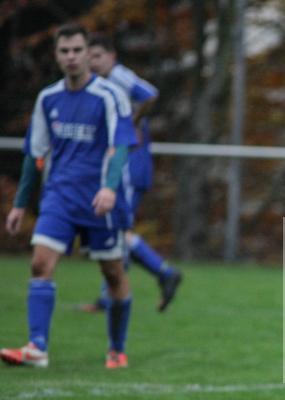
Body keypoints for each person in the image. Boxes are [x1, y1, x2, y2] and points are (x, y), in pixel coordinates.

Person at [1, 23, 137, 369]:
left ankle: (117, 348)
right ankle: (37, 347)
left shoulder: (109, 96)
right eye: (65, 51)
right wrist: (20, 204)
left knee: (113, 275)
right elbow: (35, 153)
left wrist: (108, 187)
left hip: (100, 202)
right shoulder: (48, 98)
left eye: (78, 50)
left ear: (88, 54)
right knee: (40, 263)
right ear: (57, 55)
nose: (72, 57)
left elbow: (120, 146)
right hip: (59, 196)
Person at [83, 33, 182, 313]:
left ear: (112, 56)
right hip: (124, 165)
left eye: (98, 56)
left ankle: (161, 274)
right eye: (89, 57)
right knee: (115, 231)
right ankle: (117, 293)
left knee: (116, 230)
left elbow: (150, 94)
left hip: (130, 165)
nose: (93, 61)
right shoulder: (98, 85)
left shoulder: (118, 76)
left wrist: (133, 122)